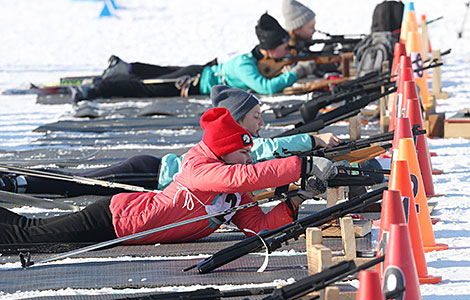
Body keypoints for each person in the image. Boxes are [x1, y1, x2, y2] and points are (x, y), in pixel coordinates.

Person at [0, 107, 336, 244]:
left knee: (29, 232)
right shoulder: (199, 168)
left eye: (248, 154)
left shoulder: (234, 195)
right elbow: (243, 179)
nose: (248, 159)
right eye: (244, 153)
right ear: (224, 152)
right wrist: (302, 166)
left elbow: (257, 227)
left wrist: (298, 198)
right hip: (116, 219)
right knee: (28, 237)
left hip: (128, 228)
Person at [1, 86, 340, 197]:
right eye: (255, 118)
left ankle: (22, 179)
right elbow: (271, 151)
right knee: (83, 184)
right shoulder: (238, 144)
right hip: (151, 173)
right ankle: (21, 180)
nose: (262, 124)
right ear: (236, 121)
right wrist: (312, 139)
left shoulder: (239, 144)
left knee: (87, 186)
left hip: (154, 173)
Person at [71, 12, 317, 102]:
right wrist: (297, 72)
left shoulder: (254, 59)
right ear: (270, 48)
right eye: (284, 46)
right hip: (192, 82)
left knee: (160, 73)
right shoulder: (245, 65)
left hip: (198, 74)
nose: (287, 50)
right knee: (147, 88)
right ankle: (95, 89)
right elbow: (266, 87)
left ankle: (124, 69)